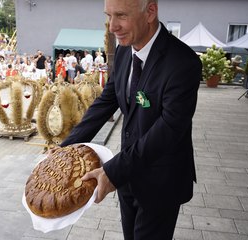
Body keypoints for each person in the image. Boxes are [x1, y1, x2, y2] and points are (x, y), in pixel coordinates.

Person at [60, 0, 201, 239]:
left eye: (121, 15)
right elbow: (107, 100)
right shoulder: (125, 50)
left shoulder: (183, 62)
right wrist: (65, 148)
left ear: (151, 12)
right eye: (109, 16)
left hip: (161, 181)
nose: (112, 26)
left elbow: (169, 128)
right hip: (127, 176)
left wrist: (113, 171)